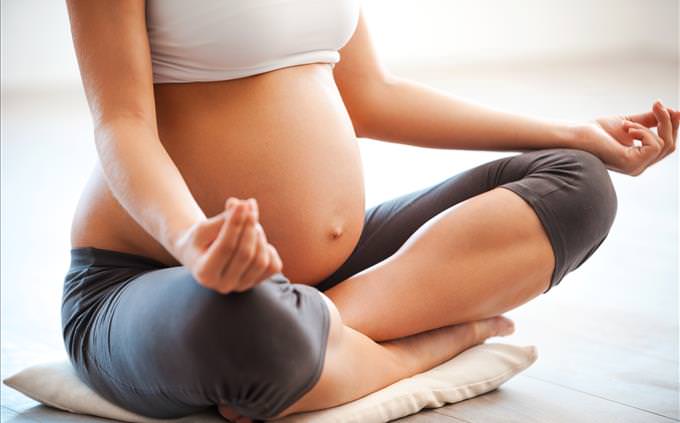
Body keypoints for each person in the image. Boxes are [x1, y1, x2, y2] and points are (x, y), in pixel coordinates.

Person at [61, 1, 678, 422]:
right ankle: (415, 348)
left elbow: (372, 96)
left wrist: (573, 133)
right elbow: (122, 124)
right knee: (245, 323)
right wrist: (194, 240)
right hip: (153, 277)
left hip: (328, 271)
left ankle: (312, 330)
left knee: (579, 185)